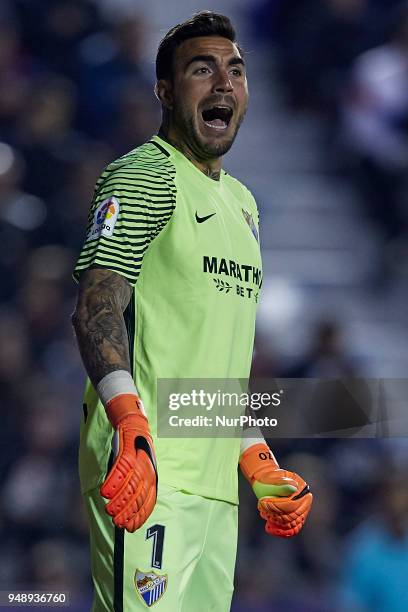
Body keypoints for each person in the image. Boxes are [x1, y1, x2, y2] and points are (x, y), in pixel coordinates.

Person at [71, 11, 312, 612]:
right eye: (202, 70)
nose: (223, 83)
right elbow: (96, 307)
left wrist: (256, 458)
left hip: (214, 490)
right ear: (165, 91)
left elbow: (217, 360)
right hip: (147, 470)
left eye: (236, 70)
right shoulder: (145, 173)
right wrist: (129, 424)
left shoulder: (244, 206)